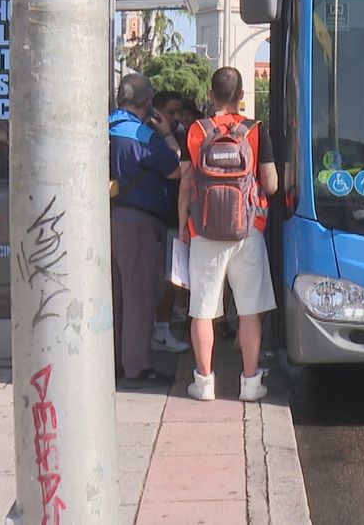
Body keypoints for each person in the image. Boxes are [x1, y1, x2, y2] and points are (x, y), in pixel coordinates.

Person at [179, 67, 278, 402]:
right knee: (249, 310)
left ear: (211, 95)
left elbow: (186, 184)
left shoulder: (195, 131)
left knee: (203, 309)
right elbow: (272, 183)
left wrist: (183, 226)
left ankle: (204, 382)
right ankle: (250, 383)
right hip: (247, 230)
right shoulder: (254, 131)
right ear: (242, 97)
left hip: (205, 231)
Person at [110, 73, 183, 388]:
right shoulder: (143, 135)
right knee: (139, 296)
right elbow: (175, 169)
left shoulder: (104, 128)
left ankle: (111, 360)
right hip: (138, 223)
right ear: (148, 103)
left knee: (113, 296)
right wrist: (166, 133)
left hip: (105, 219)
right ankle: (136, 366)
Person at [148, 90, 190, 355]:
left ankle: (161, 327)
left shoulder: (178, 133)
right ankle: (160, 330)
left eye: (178, 112)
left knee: (172, 277)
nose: (175, 118)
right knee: (167, 278)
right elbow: (179, 167)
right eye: (171, 112)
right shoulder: (154, 137)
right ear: (157, 111)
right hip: (162, 216)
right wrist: (167, 134)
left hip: (171, 216)